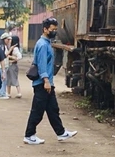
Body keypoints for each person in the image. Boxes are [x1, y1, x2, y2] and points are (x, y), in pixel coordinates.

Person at [23, 17, 76, 145]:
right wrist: (46, 81)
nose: (54, 32)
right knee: (37, 110)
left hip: (47, 83)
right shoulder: (42, 45)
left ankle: (61, 133)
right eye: (52, 29)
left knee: (53, 109)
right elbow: (41, 65)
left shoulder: (47, 43)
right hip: (42, 83)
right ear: (45, 29)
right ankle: (29, 135)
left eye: (55, 29)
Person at [3, 34, 22, 99]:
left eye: (10, 39)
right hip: (10, 66)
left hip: (13, 66)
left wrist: (11, 58)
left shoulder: (15, 48)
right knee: (8, 79)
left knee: (14, 79)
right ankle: (8, 93)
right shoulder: (10, 47)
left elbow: (19, 57)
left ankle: (19, 92)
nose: (9, 40)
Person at [0, 32, 11, 100]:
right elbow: (3, 56)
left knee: (4, 80)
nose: (8, 41)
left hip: (5, 65)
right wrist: (11, 49)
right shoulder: (2, 47)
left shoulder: (4, 46)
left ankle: (3, 92)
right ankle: (1, 93)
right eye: (7, 39)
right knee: (3, 79)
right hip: (2, 66)